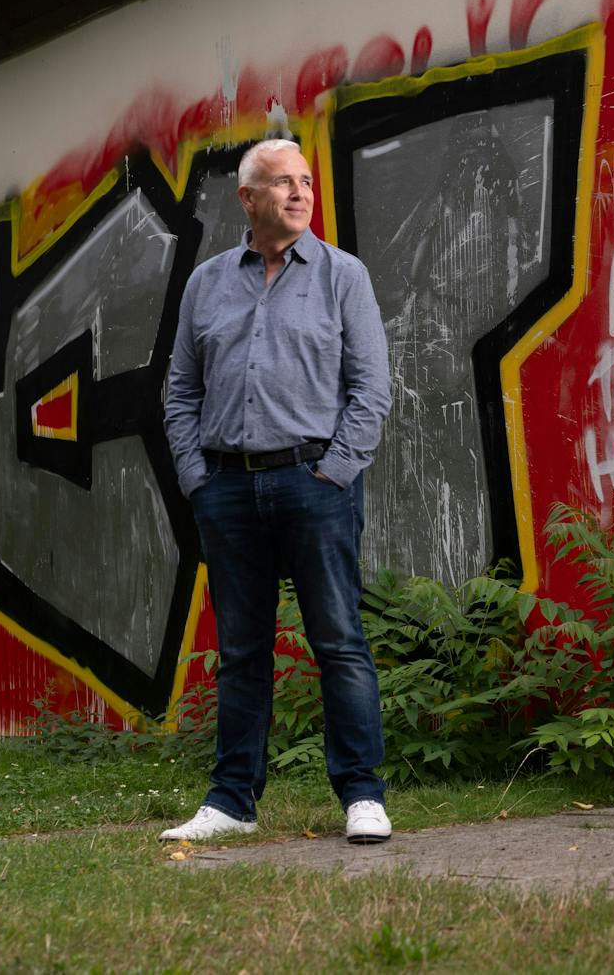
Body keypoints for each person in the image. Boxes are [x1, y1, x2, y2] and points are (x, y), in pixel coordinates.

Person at [159, 137, 394, 844]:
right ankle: (232, 801)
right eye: (283, 182)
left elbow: (371, 389)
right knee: (241, 651)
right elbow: (180, 391)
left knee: (338, 640)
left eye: (306, 182)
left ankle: (362, 794)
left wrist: (335, 470)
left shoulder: (342, 276)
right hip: (227, 489)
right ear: (248, 197)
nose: (299, 193)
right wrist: (198, 479)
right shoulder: (206, 284)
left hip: (315, 482)